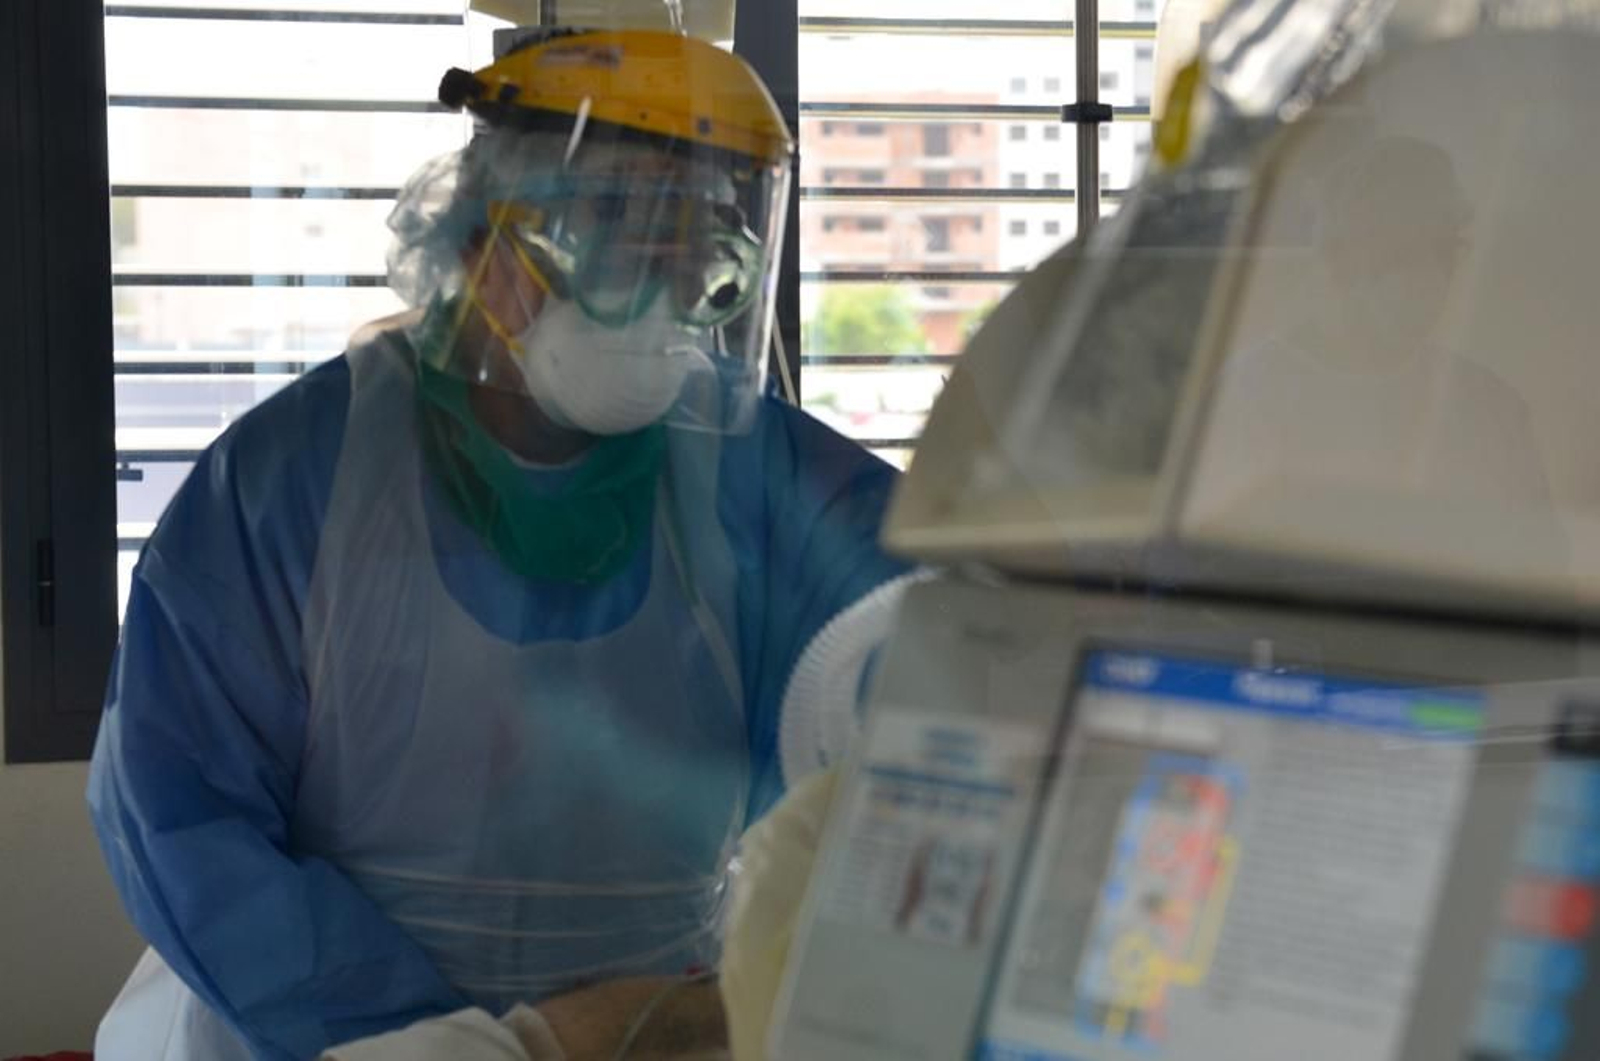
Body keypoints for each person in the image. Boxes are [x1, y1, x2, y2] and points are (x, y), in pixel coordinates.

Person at [87, 27, 910, 1061]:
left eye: (699, 247)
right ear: (485, 252)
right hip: (318, 1037)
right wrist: (452, 1040)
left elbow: (933, 631)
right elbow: (180, 819)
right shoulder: (292, 480)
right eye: (622, 231)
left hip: (649, 1031)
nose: (671, 285)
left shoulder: (748, 470)